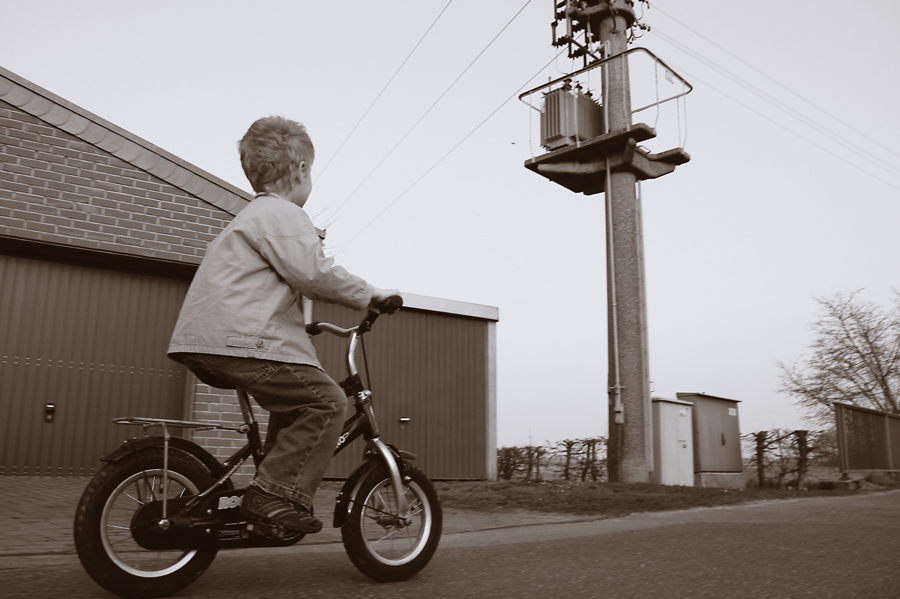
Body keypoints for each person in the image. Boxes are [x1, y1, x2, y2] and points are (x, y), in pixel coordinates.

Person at [168, 116, 396, 539]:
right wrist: (371, 295)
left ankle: (264, 501)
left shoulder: (249, 218)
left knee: (294, 404)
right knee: (326, 401)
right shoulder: (283, 213)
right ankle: (272, 494)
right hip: (241, 341)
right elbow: (313, 273)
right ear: (303, 169)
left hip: (209, 339)